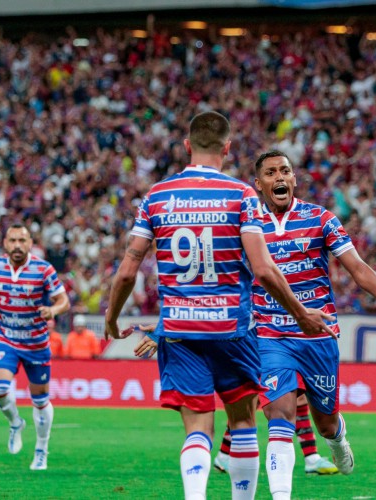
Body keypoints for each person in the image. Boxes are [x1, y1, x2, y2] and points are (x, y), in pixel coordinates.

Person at [104, 111, 334, 500]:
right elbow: (263, 270)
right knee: (243, 421)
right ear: (227, 148)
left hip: (179, 331)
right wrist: (301, 313)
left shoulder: (156, 196)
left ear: (187, 146)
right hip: (232, 329)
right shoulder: (242, 194)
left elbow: (127, 272)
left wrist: (111, 318)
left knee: (197, 427)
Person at [211, 150, 376, 499]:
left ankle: (337, 439)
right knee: (279, 414)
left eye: (285, 170)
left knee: (326, 422)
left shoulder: (321, 218)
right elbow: (226, 280)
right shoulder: (246, 226)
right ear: (259, 184)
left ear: (294, 178)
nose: (279, 177)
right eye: (270, 173)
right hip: (270, 334)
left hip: (318, 335)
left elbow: (358, 268)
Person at [0, 224, 70, 471]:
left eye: (22, 240)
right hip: (5, 337)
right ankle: (16, 422)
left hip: (36, 343)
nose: (17, 245)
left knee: (40, 400)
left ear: (30, 243)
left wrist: (52, 310)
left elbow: (64, 301)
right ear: (5, 243)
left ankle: (41, 449)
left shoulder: (43, 269)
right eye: (12, 240)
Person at [213, 391, 339, 476]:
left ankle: (311, 457)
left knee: (297, 394)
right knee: (251, 397)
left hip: (281, 352)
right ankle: (224, 455)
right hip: (262, 353)